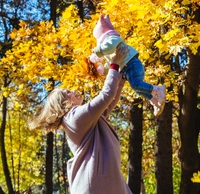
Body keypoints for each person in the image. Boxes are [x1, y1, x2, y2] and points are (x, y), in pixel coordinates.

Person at [29, 46, 132, 194]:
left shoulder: (85, 119)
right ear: (62, 104)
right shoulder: (74, 118)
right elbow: (106, 96)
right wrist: (114, 64)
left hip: (105, 182)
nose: (73, 91)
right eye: (67, 93)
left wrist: (120, 79)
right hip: (95, 184)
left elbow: (110, 102)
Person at [90, 14, 166, 116]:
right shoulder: (109, 49)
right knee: (137, 89)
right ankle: (154, 100)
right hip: (127, 68)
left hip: (132, 64)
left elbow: (109, 46)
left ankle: (157, 89)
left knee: (136, 85)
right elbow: (112, 64)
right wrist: (103, 71)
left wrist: (97, 51)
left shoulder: (113, 38)